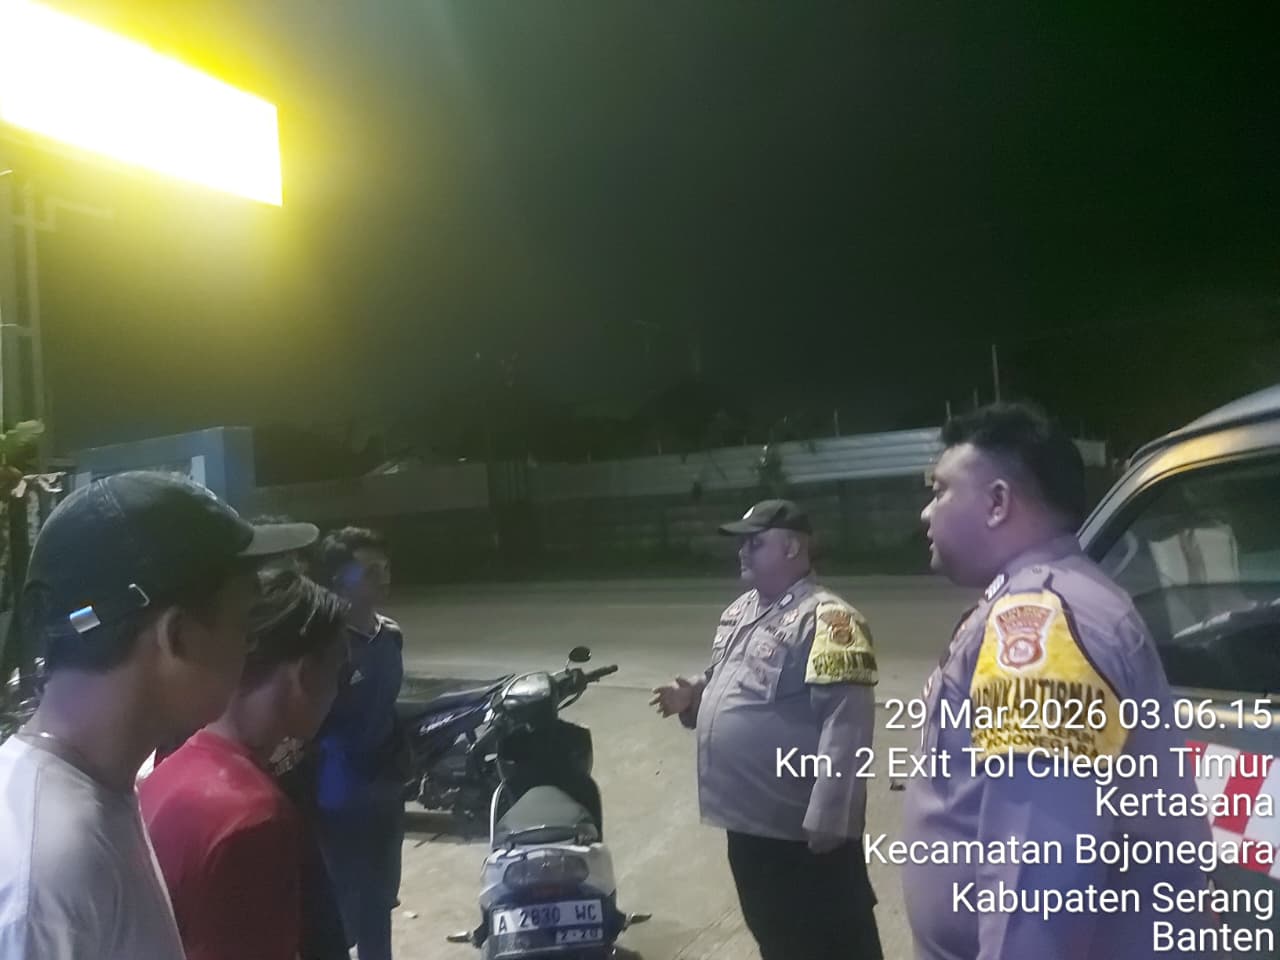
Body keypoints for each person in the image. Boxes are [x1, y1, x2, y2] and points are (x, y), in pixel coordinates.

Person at [903, 403, 1213, 959]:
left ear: (997, 503)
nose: (927, 512)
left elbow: (1037, 888)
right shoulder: (1043, 597)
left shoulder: (1042, 622)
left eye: (941, 490)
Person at [0, 471, 317, 959]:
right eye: (243, 628)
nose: (248, 650)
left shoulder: (92, 792)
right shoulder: (47, 875)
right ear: (178, 637)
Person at [651, 499, 883, 960]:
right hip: (749, 824)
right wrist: (694, 694)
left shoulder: (831, 620)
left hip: (800, 832)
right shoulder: (743, 609)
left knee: (832, 942)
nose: (742, 551)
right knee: (777, 935)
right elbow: (733, 675)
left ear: (793, 548)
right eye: (742, 543)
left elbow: (847, 721)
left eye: (755, 543)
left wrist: (831, 816)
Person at [140, 570, 349, 960]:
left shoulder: (171, 769)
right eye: (339, 673)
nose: (338, 691)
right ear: (305, 674)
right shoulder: (255, 817)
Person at [313, 526, 406, 960]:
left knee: (380, 904)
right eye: (370, 570)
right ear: (340, 580)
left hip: (385, 793)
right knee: (338, 910)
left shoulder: (391, 636)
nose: (383, 576)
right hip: (336, 797)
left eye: (385, 567)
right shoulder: (324, 646)